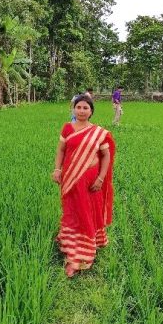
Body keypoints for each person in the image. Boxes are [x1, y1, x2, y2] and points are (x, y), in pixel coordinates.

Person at [52, 95, 115, 278]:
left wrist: (101, 179)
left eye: (85, 108)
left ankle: (80, 257)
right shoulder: (67, 128)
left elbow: (106, 156)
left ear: (91, 111)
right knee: (72, 211)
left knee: (86, 212)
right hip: (70, 177)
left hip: (90, 180)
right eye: (78, 107)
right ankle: (70, 245)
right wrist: (57, 169)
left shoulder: (98, 132)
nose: (81, 110)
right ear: (73, 109)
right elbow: (61, 150)